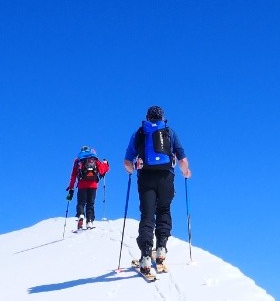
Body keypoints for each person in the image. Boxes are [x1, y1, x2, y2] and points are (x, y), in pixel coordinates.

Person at [121, 106, 191, 273]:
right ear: (162, 117)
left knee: (147, 214)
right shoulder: (170, 132)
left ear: (147, 117)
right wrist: (186, 172)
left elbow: (127, 163)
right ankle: (161, 248)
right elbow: (182, 160)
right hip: (166, 177)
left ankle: (145, 255)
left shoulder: (139, 133)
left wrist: (132, 170)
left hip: (146, 177)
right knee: (164, 210)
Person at [66, 147, 109, 231]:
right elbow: (103, 169)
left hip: (82, 185)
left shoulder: (78, 160)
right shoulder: (94, 159)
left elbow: (74, 175)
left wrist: (71, 187)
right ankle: (89, 221)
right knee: (90, 204)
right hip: (93, 185)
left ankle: (81, 215)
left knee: (81, 203)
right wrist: (106, 163)